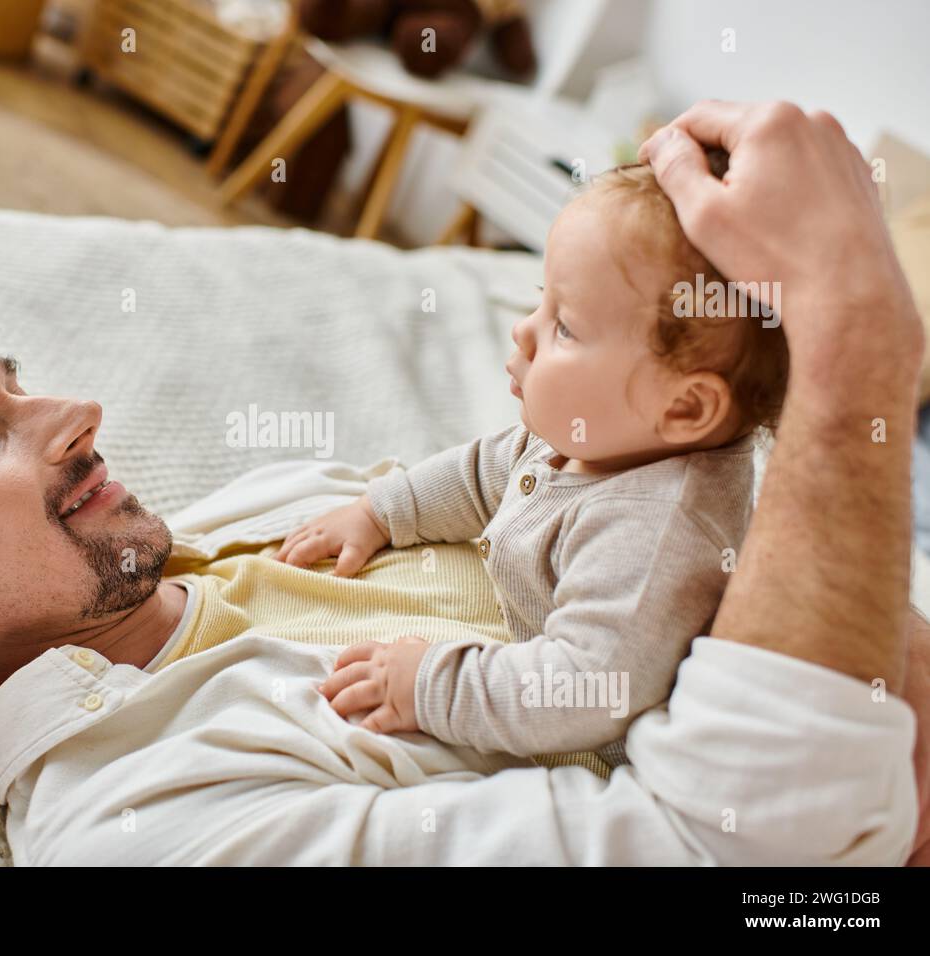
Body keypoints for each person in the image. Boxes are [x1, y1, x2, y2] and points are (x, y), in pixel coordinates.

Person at [0, 101, 924, 864]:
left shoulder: (248, 523)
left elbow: (524, 483)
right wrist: (854, 354)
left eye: (16, 386)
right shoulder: (148, 819)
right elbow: (734, 855)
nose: (77, 416)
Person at [275, 159, 788, 770]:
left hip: (586, 756)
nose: (523, 331)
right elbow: (482, 472)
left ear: (684, 407)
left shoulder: (657, 535)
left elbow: (581, 689)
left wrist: (428, 686)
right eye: (542, 302)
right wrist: (382, 511)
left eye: (564, 328)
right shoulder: (600, 437)